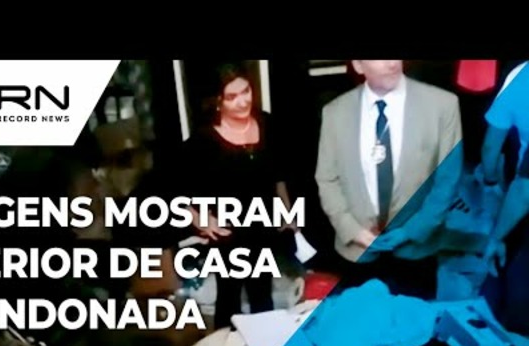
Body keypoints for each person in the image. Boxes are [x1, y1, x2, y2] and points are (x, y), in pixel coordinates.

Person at [315, 60, 464, 299]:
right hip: (357, 252)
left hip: (416, 252)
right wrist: (353, 230)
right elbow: (327, 178)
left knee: (415, 321)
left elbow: (447, 181)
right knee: (361, 319)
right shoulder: (335, 112)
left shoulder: (443, 106)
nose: (392, 62)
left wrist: (412, 231)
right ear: (358, 65)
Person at [172, 61, 297, 330]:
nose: (243, 101)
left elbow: (278, 177)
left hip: (263, 227)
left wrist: (287, 213)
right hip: (228, 235)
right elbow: (175, 190)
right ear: (218, 102)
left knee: (262, 295)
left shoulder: (267, 124)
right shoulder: (202, 142)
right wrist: (200, 219)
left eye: (246, 91)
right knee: (229, 298)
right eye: (232, 97)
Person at [479, 61, 529, 335]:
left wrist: (496, 238)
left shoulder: (521, 75)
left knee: (515, 290)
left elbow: (491, 147)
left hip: (522, 199)